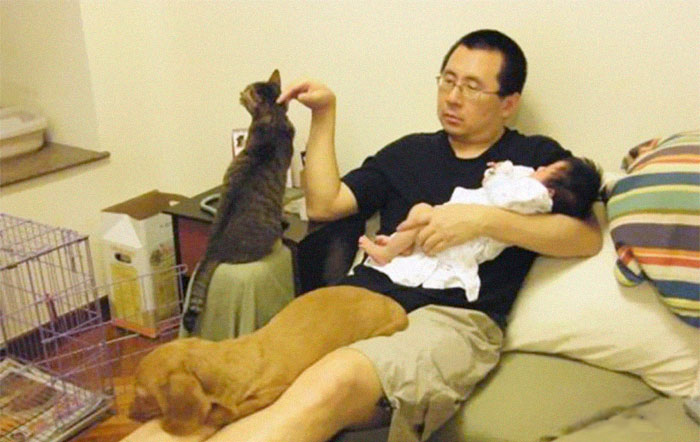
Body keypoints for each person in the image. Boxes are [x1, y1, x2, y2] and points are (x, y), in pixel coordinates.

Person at [129, 29, 601, 442]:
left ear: (508, 103)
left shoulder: (535, 161)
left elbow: (585, 239)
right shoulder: (409, 152)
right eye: (448, 81)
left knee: (331, 381)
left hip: (449, 319)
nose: (453, 97)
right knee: (226, 390)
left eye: (472, 87)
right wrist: (324, 114)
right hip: (352, 301)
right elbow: (324, 203)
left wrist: (480, 221)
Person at [358, 157, 601, 302]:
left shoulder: (534, 195)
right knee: (421, 213)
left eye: (548, 169)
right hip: (454, 227)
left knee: (421, 212)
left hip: (469, 240)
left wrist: (498, 174)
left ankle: (388, 252)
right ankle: (401, 246)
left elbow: (502, 195)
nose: (540, 167)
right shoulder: (536, 194)